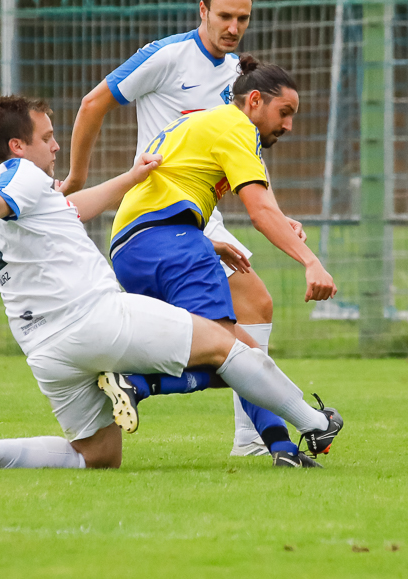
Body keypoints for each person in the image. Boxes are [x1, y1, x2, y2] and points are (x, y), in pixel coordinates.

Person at [0, 96, 338, 471]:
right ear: (18, 146)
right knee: (231, 345)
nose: (56, 145)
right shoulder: (17, 173)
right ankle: (316, 424)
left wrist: (132, 178)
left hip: (45, 350)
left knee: (97, 456)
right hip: (95, 319)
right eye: (47, 137)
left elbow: (70, 206)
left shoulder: (33, 194)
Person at [61, 0, 303, 457]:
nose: (233, 27)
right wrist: (76, 180)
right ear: (202, 12)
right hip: (160, 215)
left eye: (243, 18)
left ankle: (246, 436)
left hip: (199, 218)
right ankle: (253, 434)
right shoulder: (169, 56)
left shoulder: (241, 79)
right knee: (226, 332)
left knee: (249, 312)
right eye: (225, 16)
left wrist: (277, 211)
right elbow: (92, 104)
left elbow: (238, 158)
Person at [104, 56, 343, 465]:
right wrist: (310, 262)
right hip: (173, 240)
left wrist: (209, 244)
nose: (288, 126)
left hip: (133, 248)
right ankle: (137, 383)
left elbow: (183, 184)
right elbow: (260, 211)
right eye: (284, 113)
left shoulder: (208, 121)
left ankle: (284, 448)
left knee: (229, 356)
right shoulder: (237, 126)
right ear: (254, 101)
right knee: (236, 351)